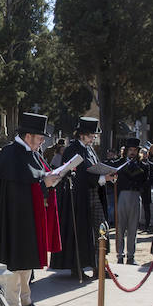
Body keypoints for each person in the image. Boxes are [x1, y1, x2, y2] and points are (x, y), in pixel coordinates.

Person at [0, 113, 62, 306]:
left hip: (28, 217)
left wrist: (48, 182)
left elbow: (35, 178)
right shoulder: (10, 154)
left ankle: (26, 300)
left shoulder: (32, 153)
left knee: (27, 260)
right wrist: (43, 183)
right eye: (40, 139)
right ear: (29, 136)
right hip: (14, 219)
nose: (42, 143)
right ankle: (14, 305)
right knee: (15, 263)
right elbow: (20, 188)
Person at [50, 117, 114, 278]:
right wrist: (101, 178)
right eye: (91, 135)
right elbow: (77, 174)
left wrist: (107, 175)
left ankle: (99, 266)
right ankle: (77, 266)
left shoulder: (89, 149)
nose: (94, 138)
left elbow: (94, 167)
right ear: (82, 135)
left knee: (101, 228)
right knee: (80, 232)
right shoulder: (73, 149)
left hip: (93, 195)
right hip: (78, 198)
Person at [114, 138, 146, 264]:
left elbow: (146, 180)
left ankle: (131, 256)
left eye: (135, 150)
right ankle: (120, 255)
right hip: (122, 195)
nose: (132, 152)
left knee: (133, 227)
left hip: (135, 194)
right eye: (130, 150)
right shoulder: (119, 163)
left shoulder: (143, 165)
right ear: (126, 151)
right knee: (120, 227)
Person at [139, 147, 153, 232]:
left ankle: (147, 225)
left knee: (146, 208)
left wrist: (144, 186)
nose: (143, 155)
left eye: (145, 153)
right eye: (142, 153)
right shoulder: (137, 164)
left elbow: (152, 178)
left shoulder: (151, 165)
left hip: (146, 189)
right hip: (137, 189)